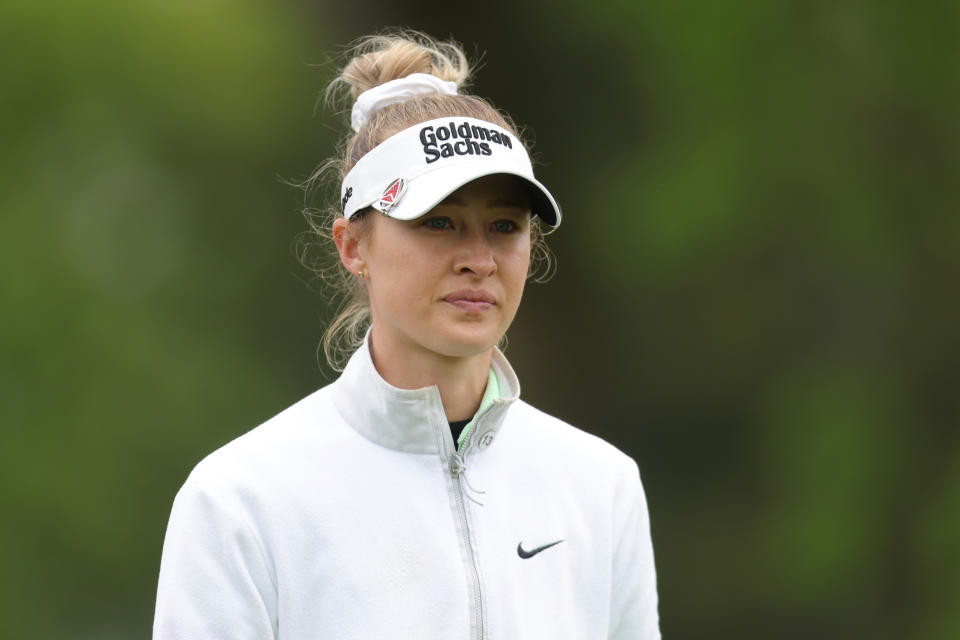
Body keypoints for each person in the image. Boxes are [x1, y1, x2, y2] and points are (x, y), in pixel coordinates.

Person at [153, 31, 660, 640]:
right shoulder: (239, 500)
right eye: (438, 222)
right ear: (352, 245)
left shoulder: (601, 485)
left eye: (504, 225)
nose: (479, 258)